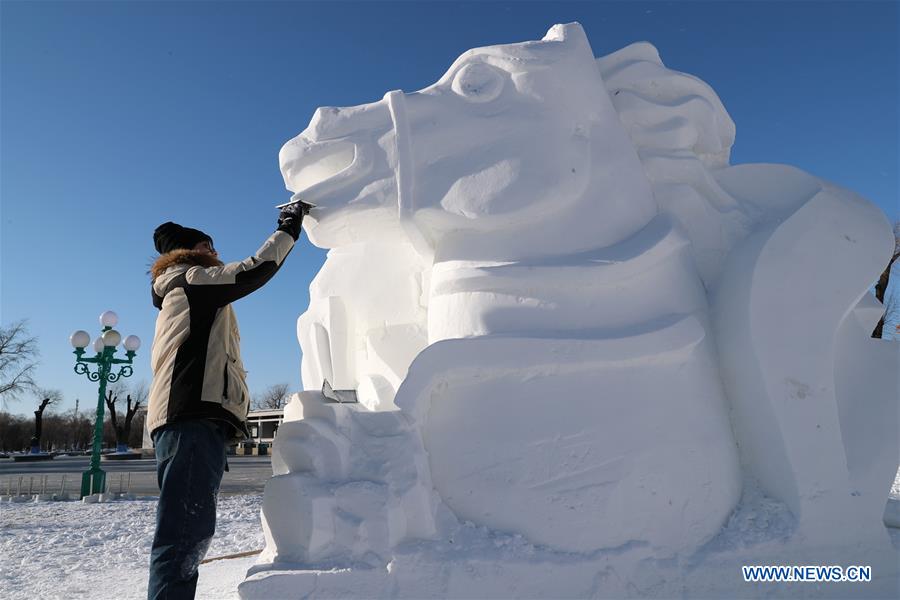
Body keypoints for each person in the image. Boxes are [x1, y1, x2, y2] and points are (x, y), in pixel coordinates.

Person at [145, 201, 308, 600]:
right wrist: (288, 228)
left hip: (192, 419)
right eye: (209, 246)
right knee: (184, 532)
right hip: (189, 418)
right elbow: (253, 270)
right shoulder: (192, 280)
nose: (216, 253)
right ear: (191, 252)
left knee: (188, 530)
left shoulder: (186, 290)